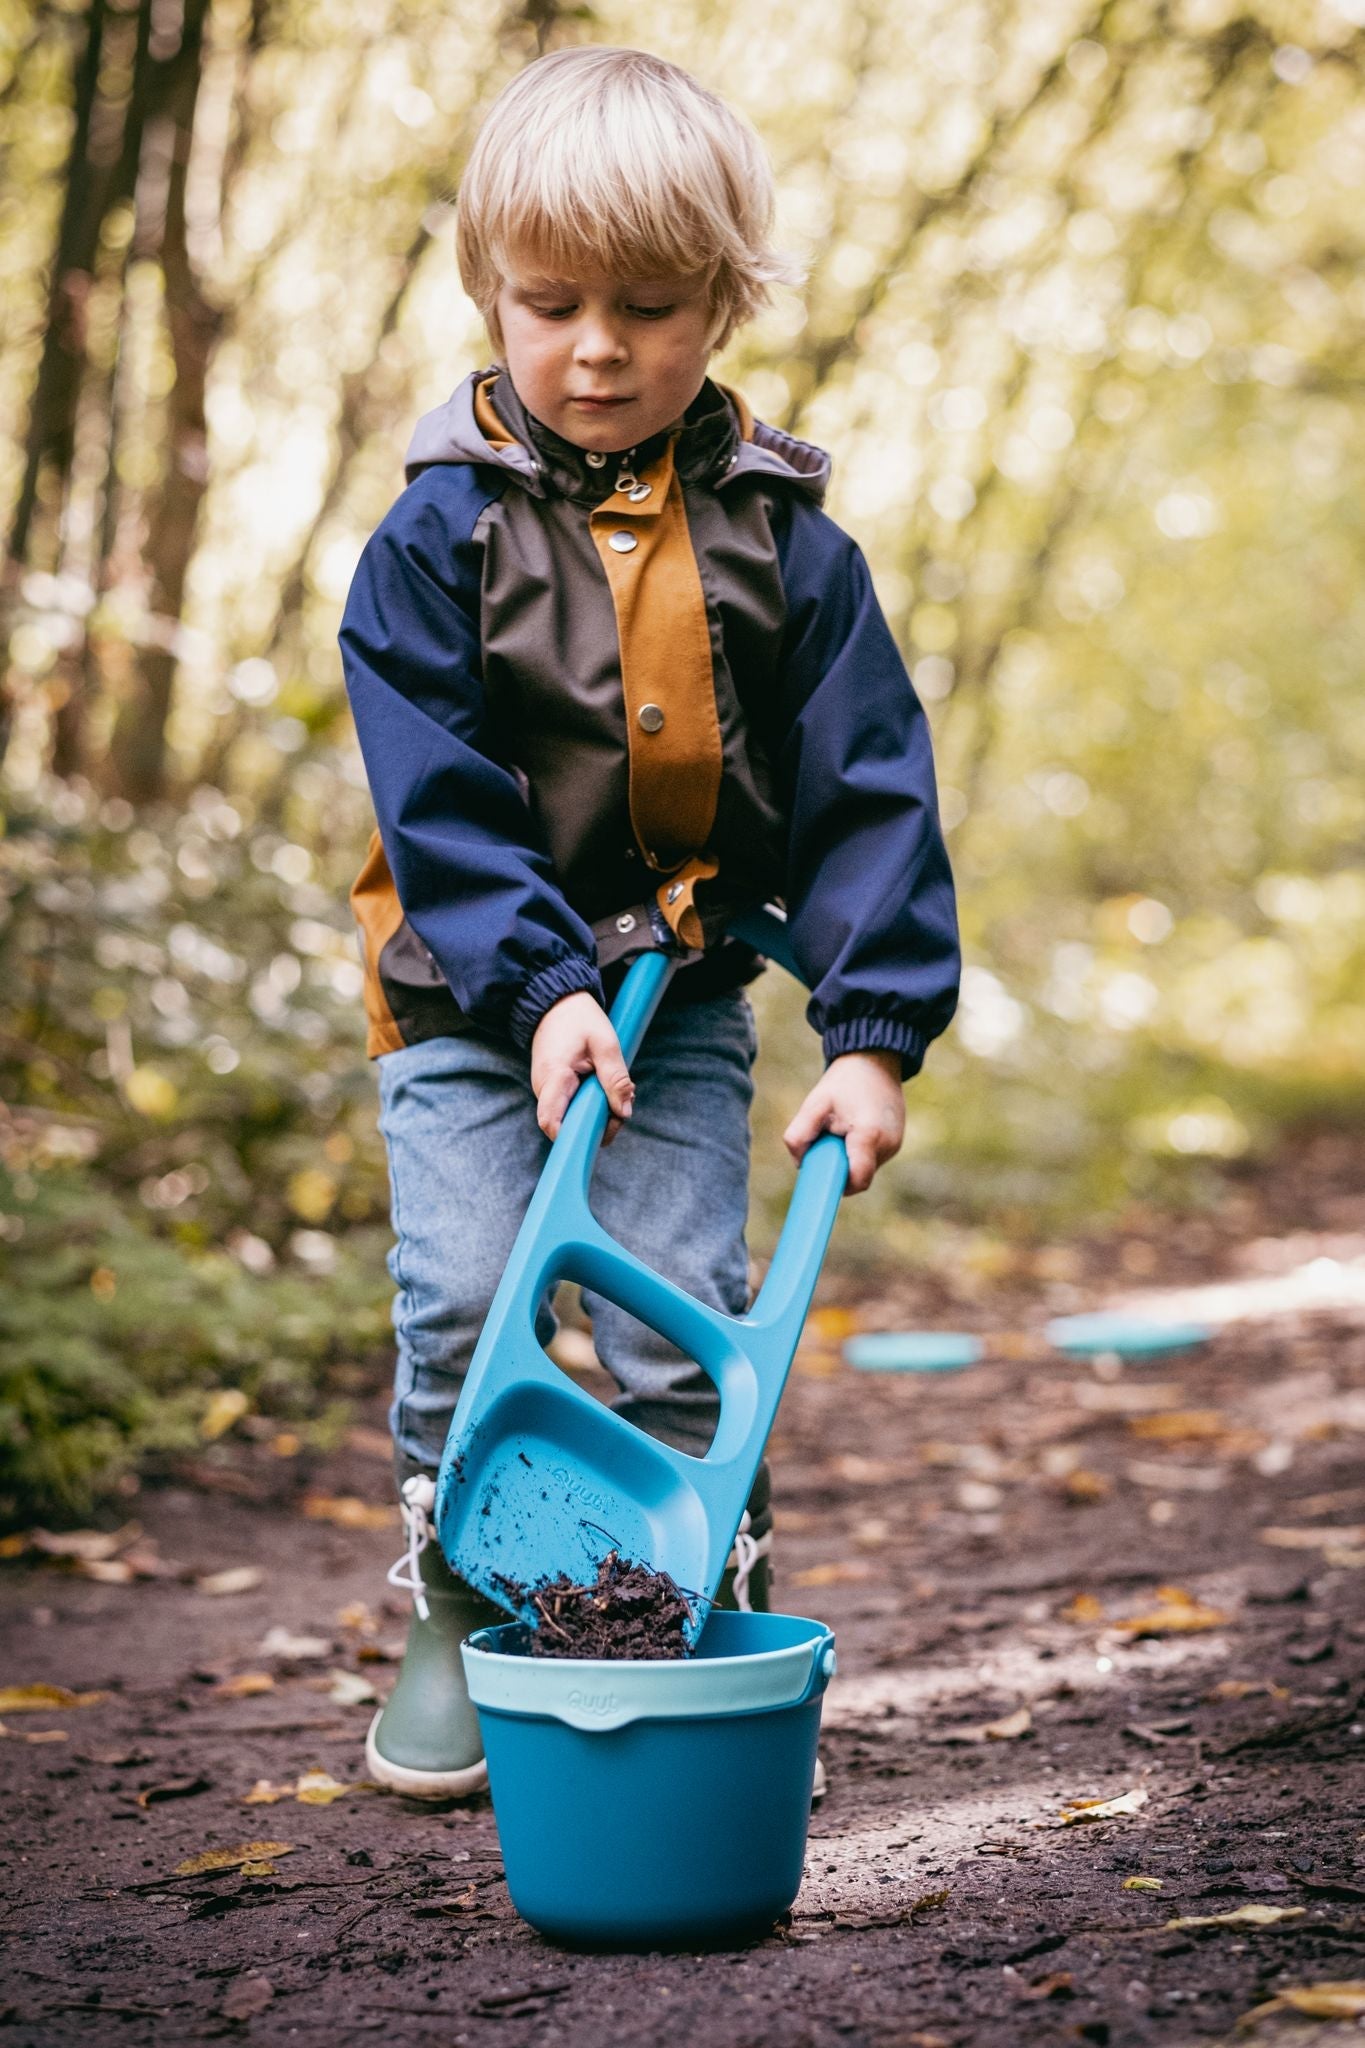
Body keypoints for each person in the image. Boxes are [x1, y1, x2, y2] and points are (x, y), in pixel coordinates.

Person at [338, 45, 960, 1800]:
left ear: (726, 302)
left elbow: (868, 793)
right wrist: (535, 983)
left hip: (676, 999)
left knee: (679, 1310)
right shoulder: (434, 539)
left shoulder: (788, 547)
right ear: (489, 291)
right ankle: (465, 1591)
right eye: (551, 306)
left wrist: (871, 1033)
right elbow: (436, 798)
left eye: (648, 308)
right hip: (469, 1000)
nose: (596, 349)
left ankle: (700, 1598)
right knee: (468, 1297)